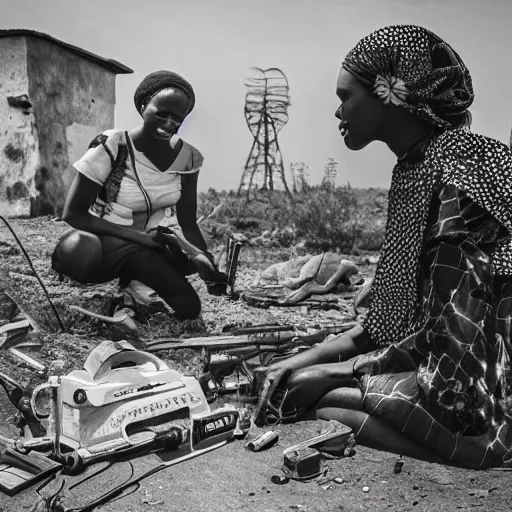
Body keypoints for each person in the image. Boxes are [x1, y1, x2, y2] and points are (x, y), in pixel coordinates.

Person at [256, 25, 512, 470]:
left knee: (329, 403)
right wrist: (301, 361)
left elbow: (455, 345)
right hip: (450, 356)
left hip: (484, 379)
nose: (338, 112)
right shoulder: (414, 168)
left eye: (345, 97)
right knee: (315, 395)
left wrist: (336, 372)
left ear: (390, 95)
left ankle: (487, 447)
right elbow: (387, 325)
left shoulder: (460, 178)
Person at [52, 70, 225, 320]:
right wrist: (140, 238)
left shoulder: (188, 157)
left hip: (144, 251)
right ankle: (102, 290)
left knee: (189, 306)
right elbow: (73, 214)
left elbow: (187, 222)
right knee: (79, 249)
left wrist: (204, 263)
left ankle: (134, 284)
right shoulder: (113, 145)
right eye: (161, 113)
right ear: (144, 105)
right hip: (103, 243)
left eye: (177, 118)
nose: (169, 124)